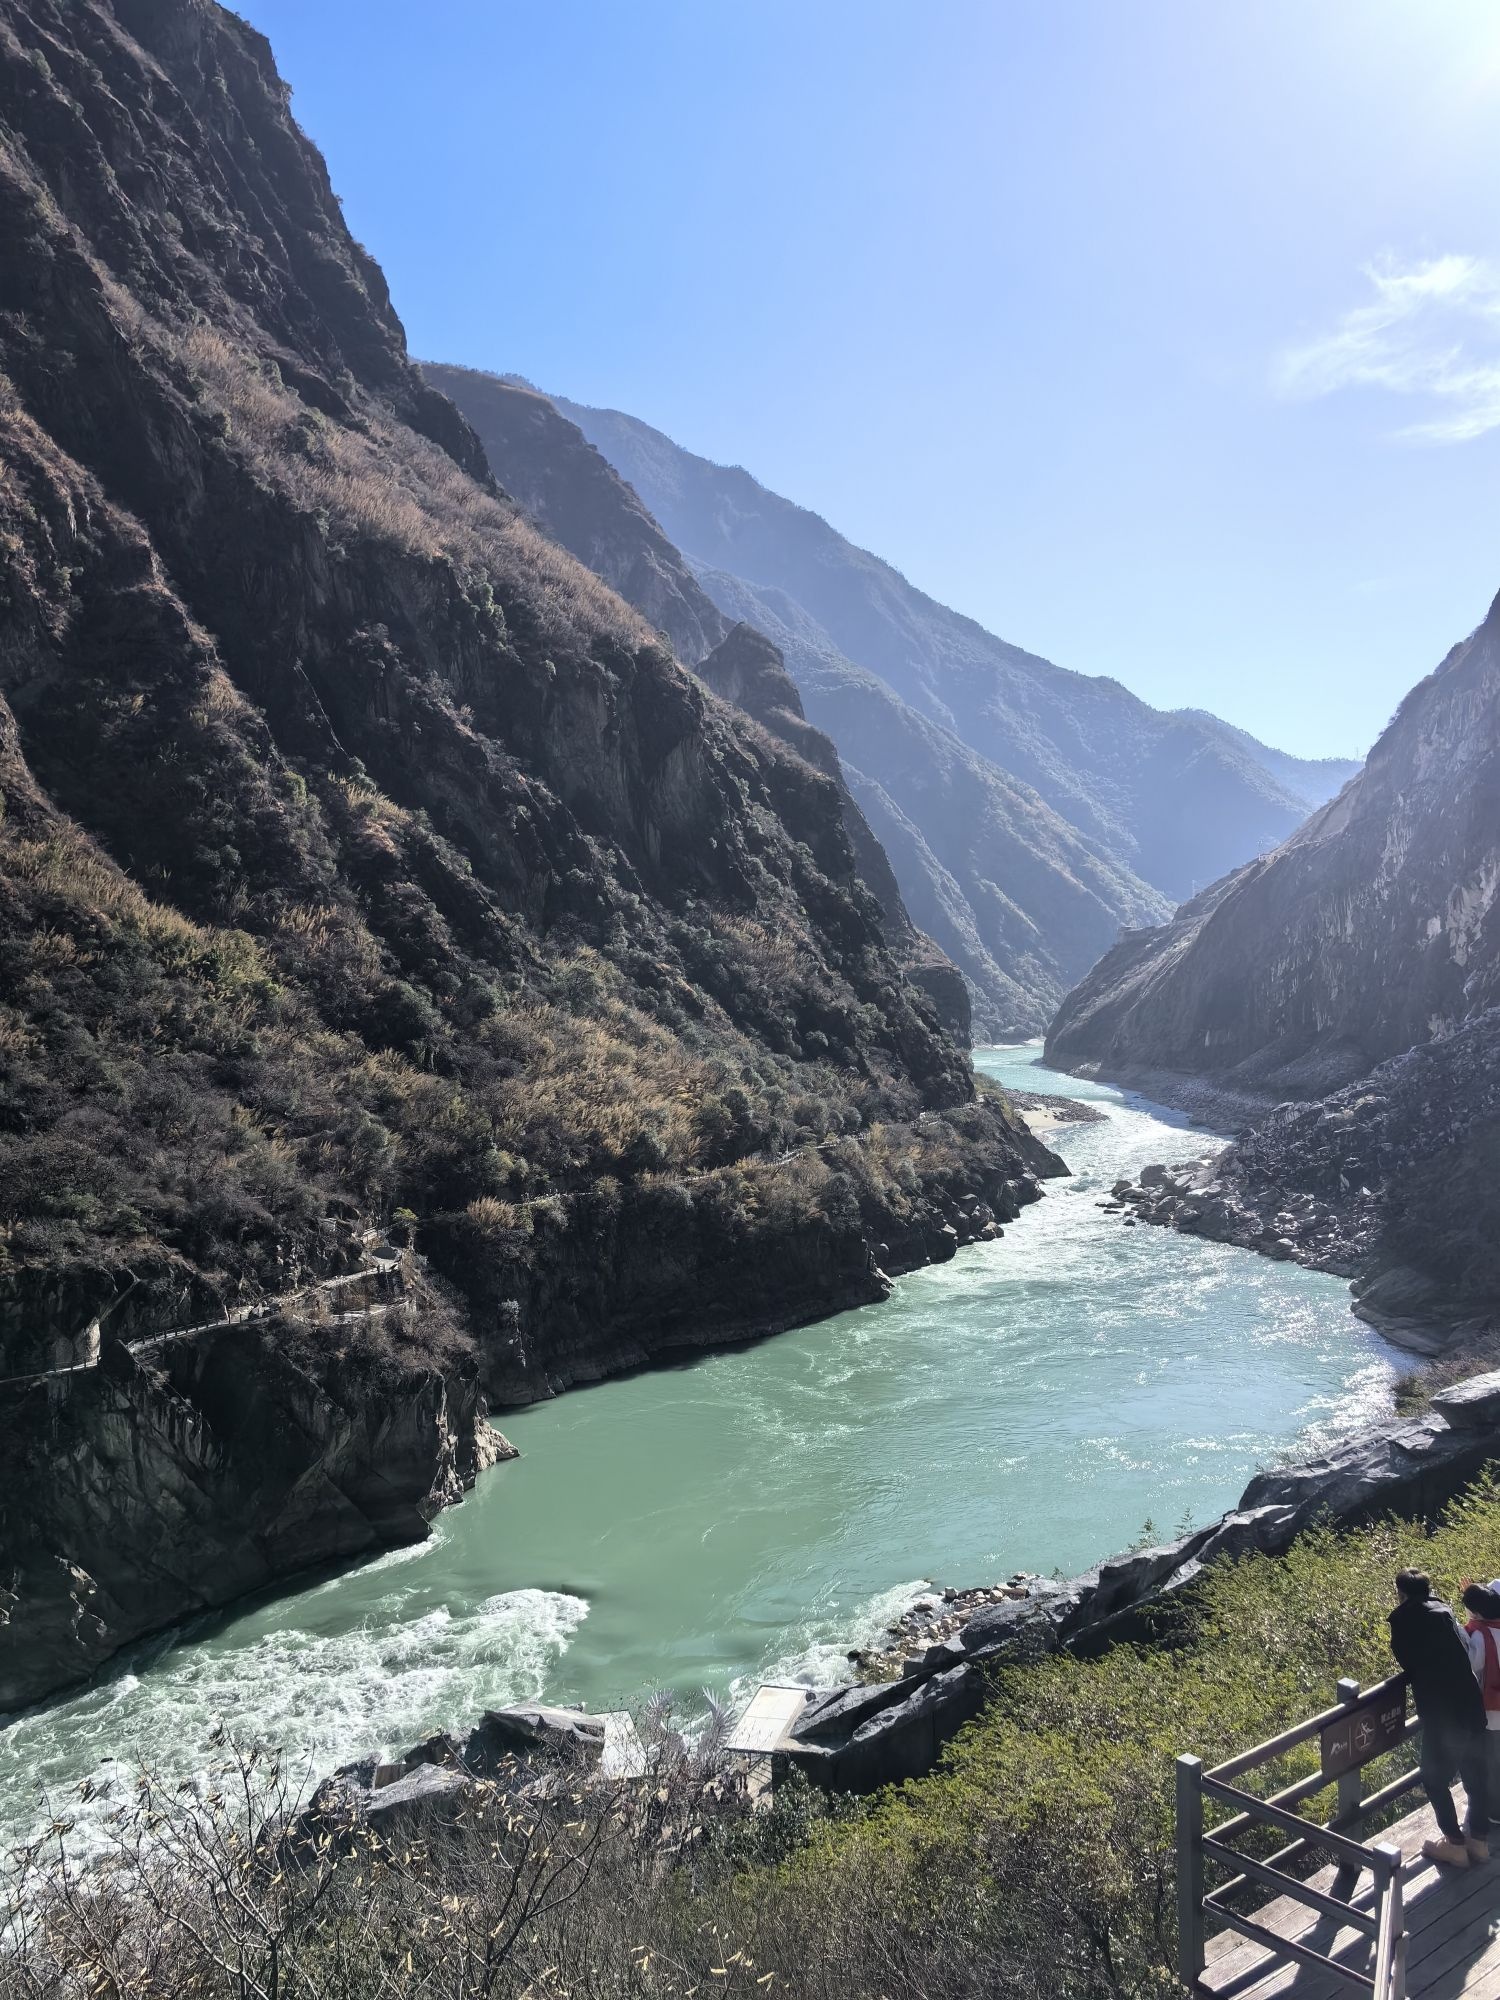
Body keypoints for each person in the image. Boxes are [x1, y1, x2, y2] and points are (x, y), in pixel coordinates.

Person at [1389, 1568, 1490, 1867]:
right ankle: (1480, 1843)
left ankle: (1455, 1844)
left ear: (1401, 1593)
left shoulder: (1403, 1620)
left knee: (1433, 1778)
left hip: (1443, 1715)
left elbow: (1408, 1662)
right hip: (1472, 1706)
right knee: (1475, 1775)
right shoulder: (1445, 1611)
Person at [1462, 1581, 1500, 1806]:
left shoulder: (1480, 1636)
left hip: (1492, 1713)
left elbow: (1472, 1665)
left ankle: (1494, 1814)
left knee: (1492, 1764)